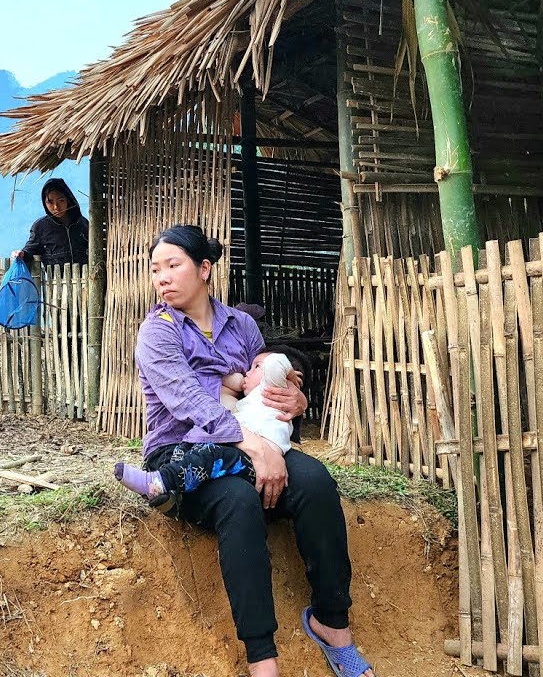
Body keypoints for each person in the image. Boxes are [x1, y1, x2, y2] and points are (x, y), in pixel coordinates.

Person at [132, 224, 374, 677]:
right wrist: (256, 447)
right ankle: (262, 658)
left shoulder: (241, 326)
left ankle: (332, 625)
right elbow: (187, 399)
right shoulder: (157, 333)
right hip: (183, 455)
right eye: (155, 269)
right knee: (238, 501)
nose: (161, 277)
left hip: (249, 440)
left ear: (204, 269)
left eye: (173, 265)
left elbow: (263, 387)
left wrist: (295, 403)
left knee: (317, 483)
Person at [113, 350, 294, 500]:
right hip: (248, 451)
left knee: (210, 455)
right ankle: (174, 485)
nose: (248, 371)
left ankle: (159, 483)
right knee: (203, 445)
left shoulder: (271, 388)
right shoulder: (248, 402)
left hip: (260, 461)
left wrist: (289, 374)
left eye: (256, 367)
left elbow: (277, 362)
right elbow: (221, 399)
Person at [11, 177, 89, 266]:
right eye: (50, 202)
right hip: (57, 279)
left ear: (68, 200)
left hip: (86, 278)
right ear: (44, 203)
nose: (56, 207)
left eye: (61, 200)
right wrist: (22, 254)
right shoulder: (40, 227)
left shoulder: (82, 223)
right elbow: (31, 250)